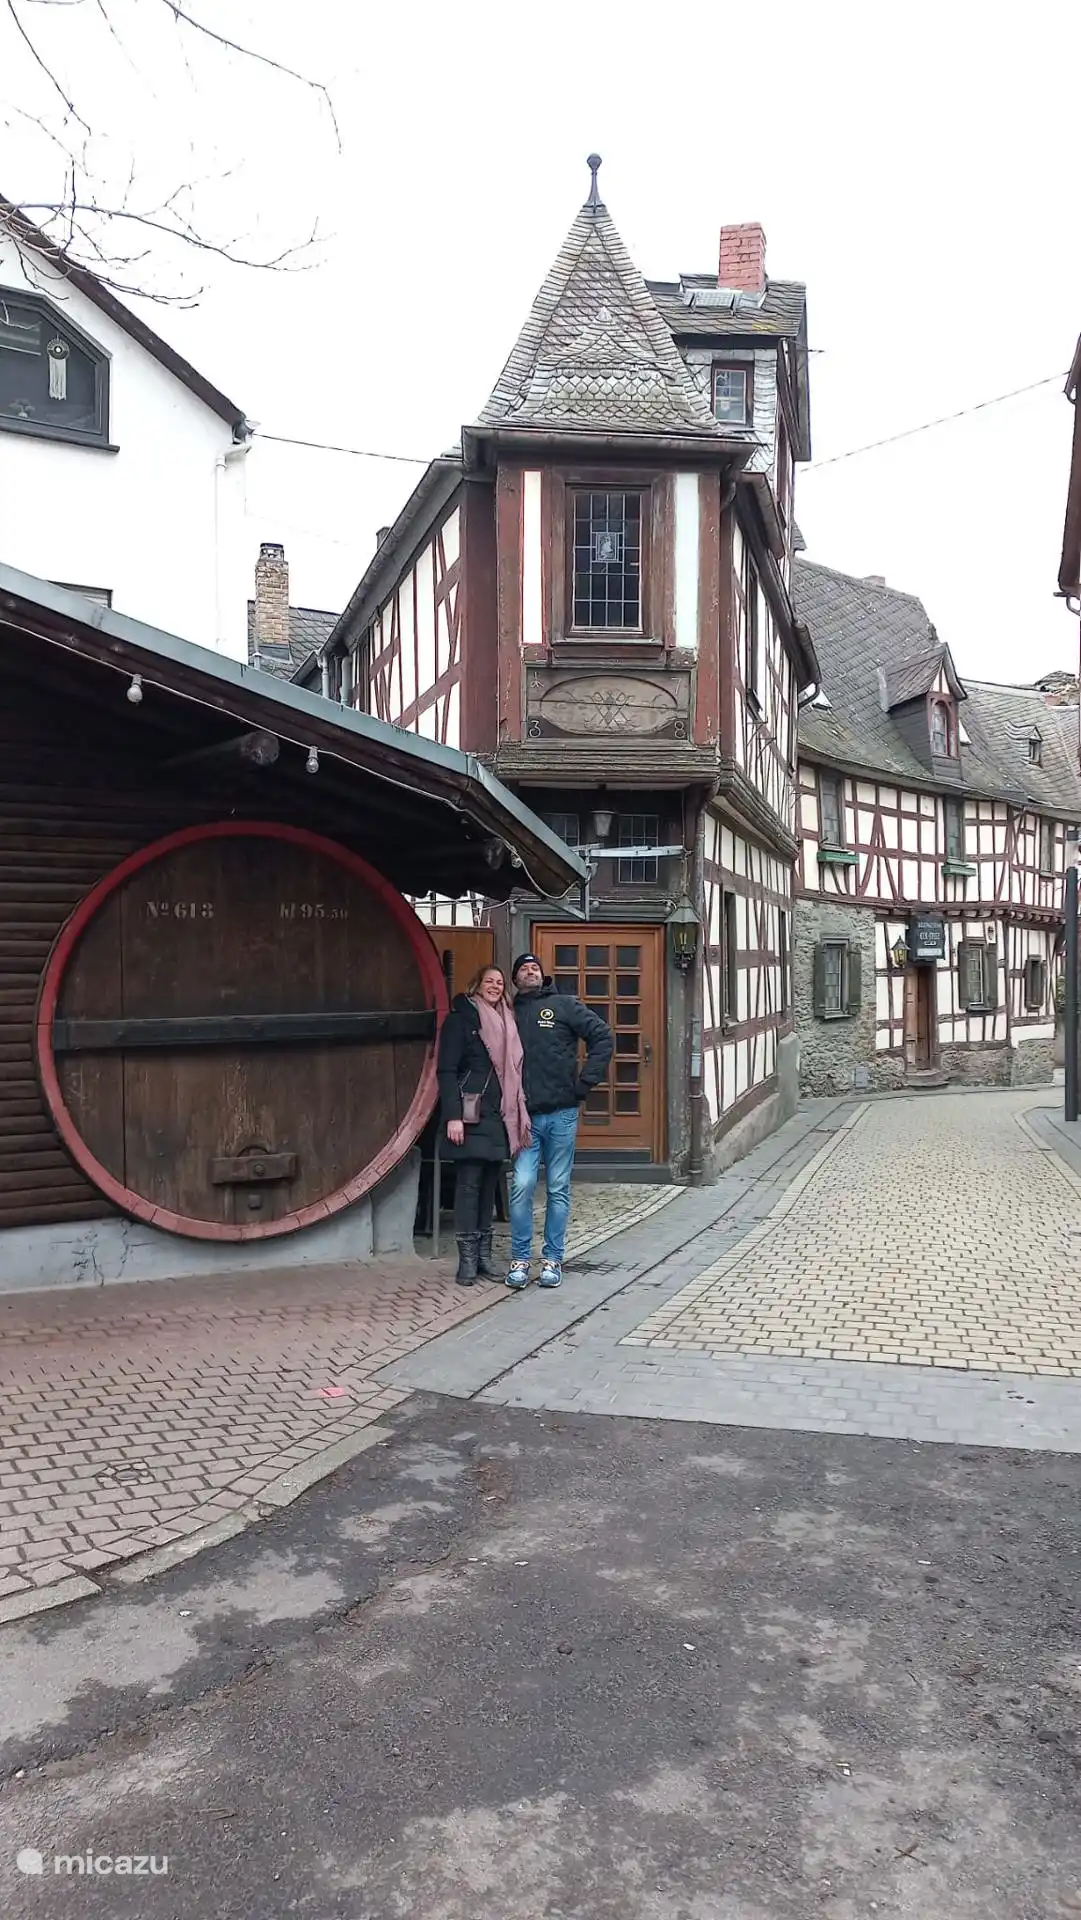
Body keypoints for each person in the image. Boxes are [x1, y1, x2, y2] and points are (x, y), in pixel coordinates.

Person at [506, 953, 614, 1291]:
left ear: (543, 974)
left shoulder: (563, 1005)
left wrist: (584, 1083)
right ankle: (521, 1259)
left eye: (535, 967)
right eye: (523, 969)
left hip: (562, 1113)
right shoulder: (507, 1013)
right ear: (515, 979)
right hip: (525, 1116)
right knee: (522, 1184)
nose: (530, 971)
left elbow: (603, 1037)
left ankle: (553, 1259)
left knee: (557, 1187)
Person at [436, 965, 532, 1286]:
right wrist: (453, 1115)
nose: (495, 986)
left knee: (490, 1185)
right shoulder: (461, 1020)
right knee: (468, 1186)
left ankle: (485, 1258)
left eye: (500, 983)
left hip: (499, 1114)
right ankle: (467, 1260)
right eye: (489, 981)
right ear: (477, 985)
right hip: (469, 1112)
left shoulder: (508, 1021)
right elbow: (447, 1070)